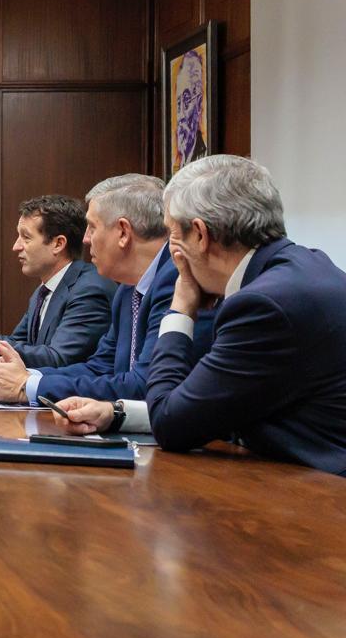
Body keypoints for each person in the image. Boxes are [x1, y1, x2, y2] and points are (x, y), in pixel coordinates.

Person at [54, 156, 346, 474]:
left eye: (171, 234)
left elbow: (172, 424)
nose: (170, 253)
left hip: (321, 490)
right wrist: (116, 412)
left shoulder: (264, 305)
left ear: (199, 235)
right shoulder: (299, 269)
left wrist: (181, 305)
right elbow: (206, 406)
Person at [0, 173, 209, 406]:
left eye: (92, 227)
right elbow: (99, 367)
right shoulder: (127, 289)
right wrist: (25, 376)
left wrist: (27, 385)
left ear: (123, 232)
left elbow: (143, 385)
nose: (85, 239)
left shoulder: (176, 281)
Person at [0, 195, 114, 367]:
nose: (16, 246)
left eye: (26, 237)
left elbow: (59, 358)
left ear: (58, 244)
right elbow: (17, 345)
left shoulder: (89, 289)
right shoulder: (44, 290)